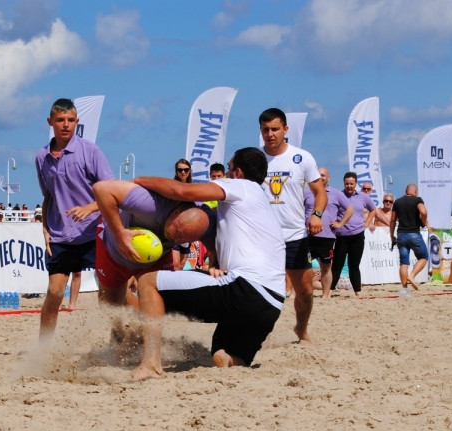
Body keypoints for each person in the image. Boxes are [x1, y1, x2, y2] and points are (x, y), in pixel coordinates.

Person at [130, 147, 285, 377]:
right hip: (271, 306)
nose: (226, 174)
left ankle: (150, 364)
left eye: (229, 168)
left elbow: (182, 190)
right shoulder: (262, 202)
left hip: (245, 290)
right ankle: (234, 360)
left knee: (148, 283)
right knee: (222, 355)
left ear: (239, 173)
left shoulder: (241, 186)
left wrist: (139, 181)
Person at [92, 179, 213, 341]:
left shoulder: (205, 222)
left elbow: (217, 244)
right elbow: (101, 188)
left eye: (184, 239)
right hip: (115, 249)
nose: (177, 239)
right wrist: (120, 233)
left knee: (157, 301)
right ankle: (117, 333)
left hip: (158, 256)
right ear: (176, 213)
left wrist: (215, 264)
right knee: (110, 304)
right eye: (178, 232)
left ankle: (142, 340)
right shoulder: (149, 204)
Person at [35, 98, 115, 340]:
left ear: (77, 122)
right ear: (50, 122)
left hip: (94, 231)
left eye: (70, 120)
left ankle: (128, 336)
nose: (66, 125)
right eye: (60, 120)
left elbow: (112, 191)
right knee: (54, 292)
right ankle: (43, 347)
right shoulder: (41, 157)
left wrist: (90, 208)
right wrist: (45, 228)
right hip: (61, 235)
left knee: (110, 293)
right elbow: (48, 196)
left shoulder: (91, 151)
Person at [259, 107, 326, 341]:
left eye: (275, 129)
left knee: (305, 291)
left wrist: (316, 215)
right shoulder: (254, 159)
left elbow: (320, 192)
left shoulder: (302, 157)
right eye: (265, 130)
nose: (270, 134)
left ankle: (301, 329)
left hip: (294, 235)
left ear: (285, 129)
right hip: (262, 237)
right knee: (259, 291)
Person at [303, 167, 351, 299]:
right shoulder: (307, 193)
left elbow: (350, 209)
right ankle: (300, 293)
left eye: (323, 175)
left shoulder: (336, 193)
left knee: (326, 267)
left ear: (328, 177)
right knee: (303, 266)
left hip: (327, 236)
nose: (321, 177)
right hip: (308, 235)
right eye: (318, 175)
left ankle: (325, 295)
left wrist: (340, 223)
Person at [330, 171, 375, 298]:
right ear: (343, 183)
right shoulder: (339, 195)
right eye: (347, 184)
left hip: (357, 235)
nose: (349, 186)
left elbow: (373, 210)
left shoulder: (363, 197)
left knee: (354, 265)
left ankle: (357, 292)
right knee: (337, 265)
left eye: (351, 183)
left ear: (355, 184)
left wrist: (366, 223)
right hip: (342, 236)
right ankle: (330, 291)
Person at [389, 183, 430, 296]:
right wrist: (424, 222)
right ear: (415, 191)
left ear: (406, 191)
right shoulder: (417, 200)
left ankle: (404, 290)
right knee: (423, 257)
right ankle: (412, 276)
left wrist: (392, 236)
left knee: (403, 263)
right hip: (413, 233)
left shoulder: (397, 202)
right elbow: (423, 212)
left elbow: (392, 220)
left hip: (401, 234)